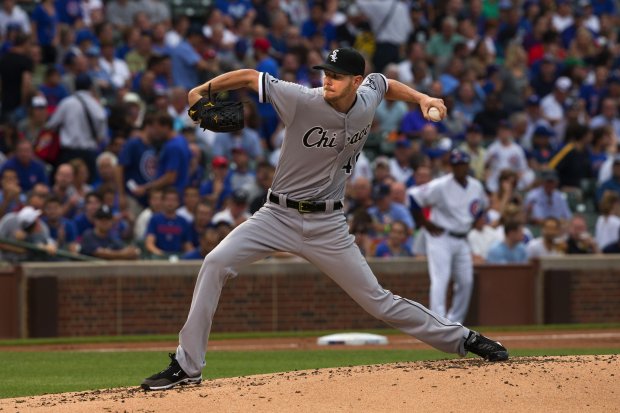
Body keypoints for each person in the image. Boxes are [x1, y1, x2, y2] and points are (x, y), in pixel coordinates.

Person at [140, 47, 508, 391]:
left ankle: (464, 339)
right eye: (325, 73)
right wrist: (198, 91)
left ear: (355, 82)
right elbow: (251, 76)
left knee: (377, 300)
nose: (327, 80)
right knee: (215, 262)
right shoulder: (302, 99)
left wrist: (423, 98)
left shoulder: (368, 96)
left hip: (328, 226)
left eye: (336, 75)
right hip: (276, 215)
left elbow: (385, 83)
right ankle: (188, 366)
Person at [408, 149, 488, 324]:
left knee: (466, 282)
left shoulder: (476, 186)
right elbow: (413, 197)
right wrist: (425, 223)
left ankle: (455, 322)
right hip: (440, 237)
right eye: (456, 165)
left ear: (468, 165)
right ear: (451, 167)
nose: (460, 168)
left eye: (463, 164)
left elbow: (481, 206)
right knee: (440, 279)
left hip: (462, 238)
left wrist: (473, 222)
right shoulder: (441, 185)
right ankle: (439, 322)